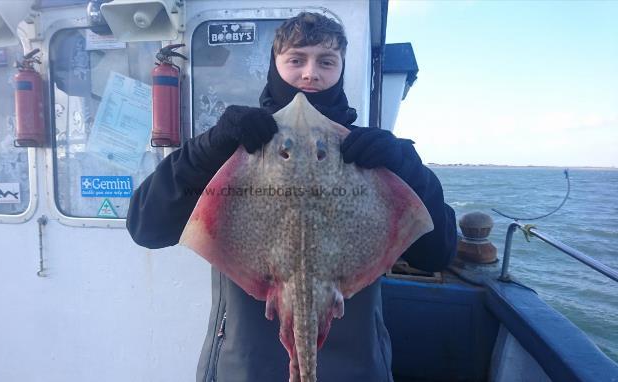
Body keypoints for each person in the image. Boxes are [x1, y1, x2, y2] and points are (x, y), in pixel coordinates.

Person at [127, 12, 457, 382]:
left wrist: (404, 166)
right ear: (275, 65)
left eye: (326, 62)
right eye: (296, 60)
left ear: (342, 70)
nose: (310, 74)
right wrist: (209, 148)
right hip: (248, 368)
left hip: (354, 370)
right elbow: (145, 226)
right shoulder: (235, 147)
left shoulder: (373, 153)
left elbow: (438, 252)